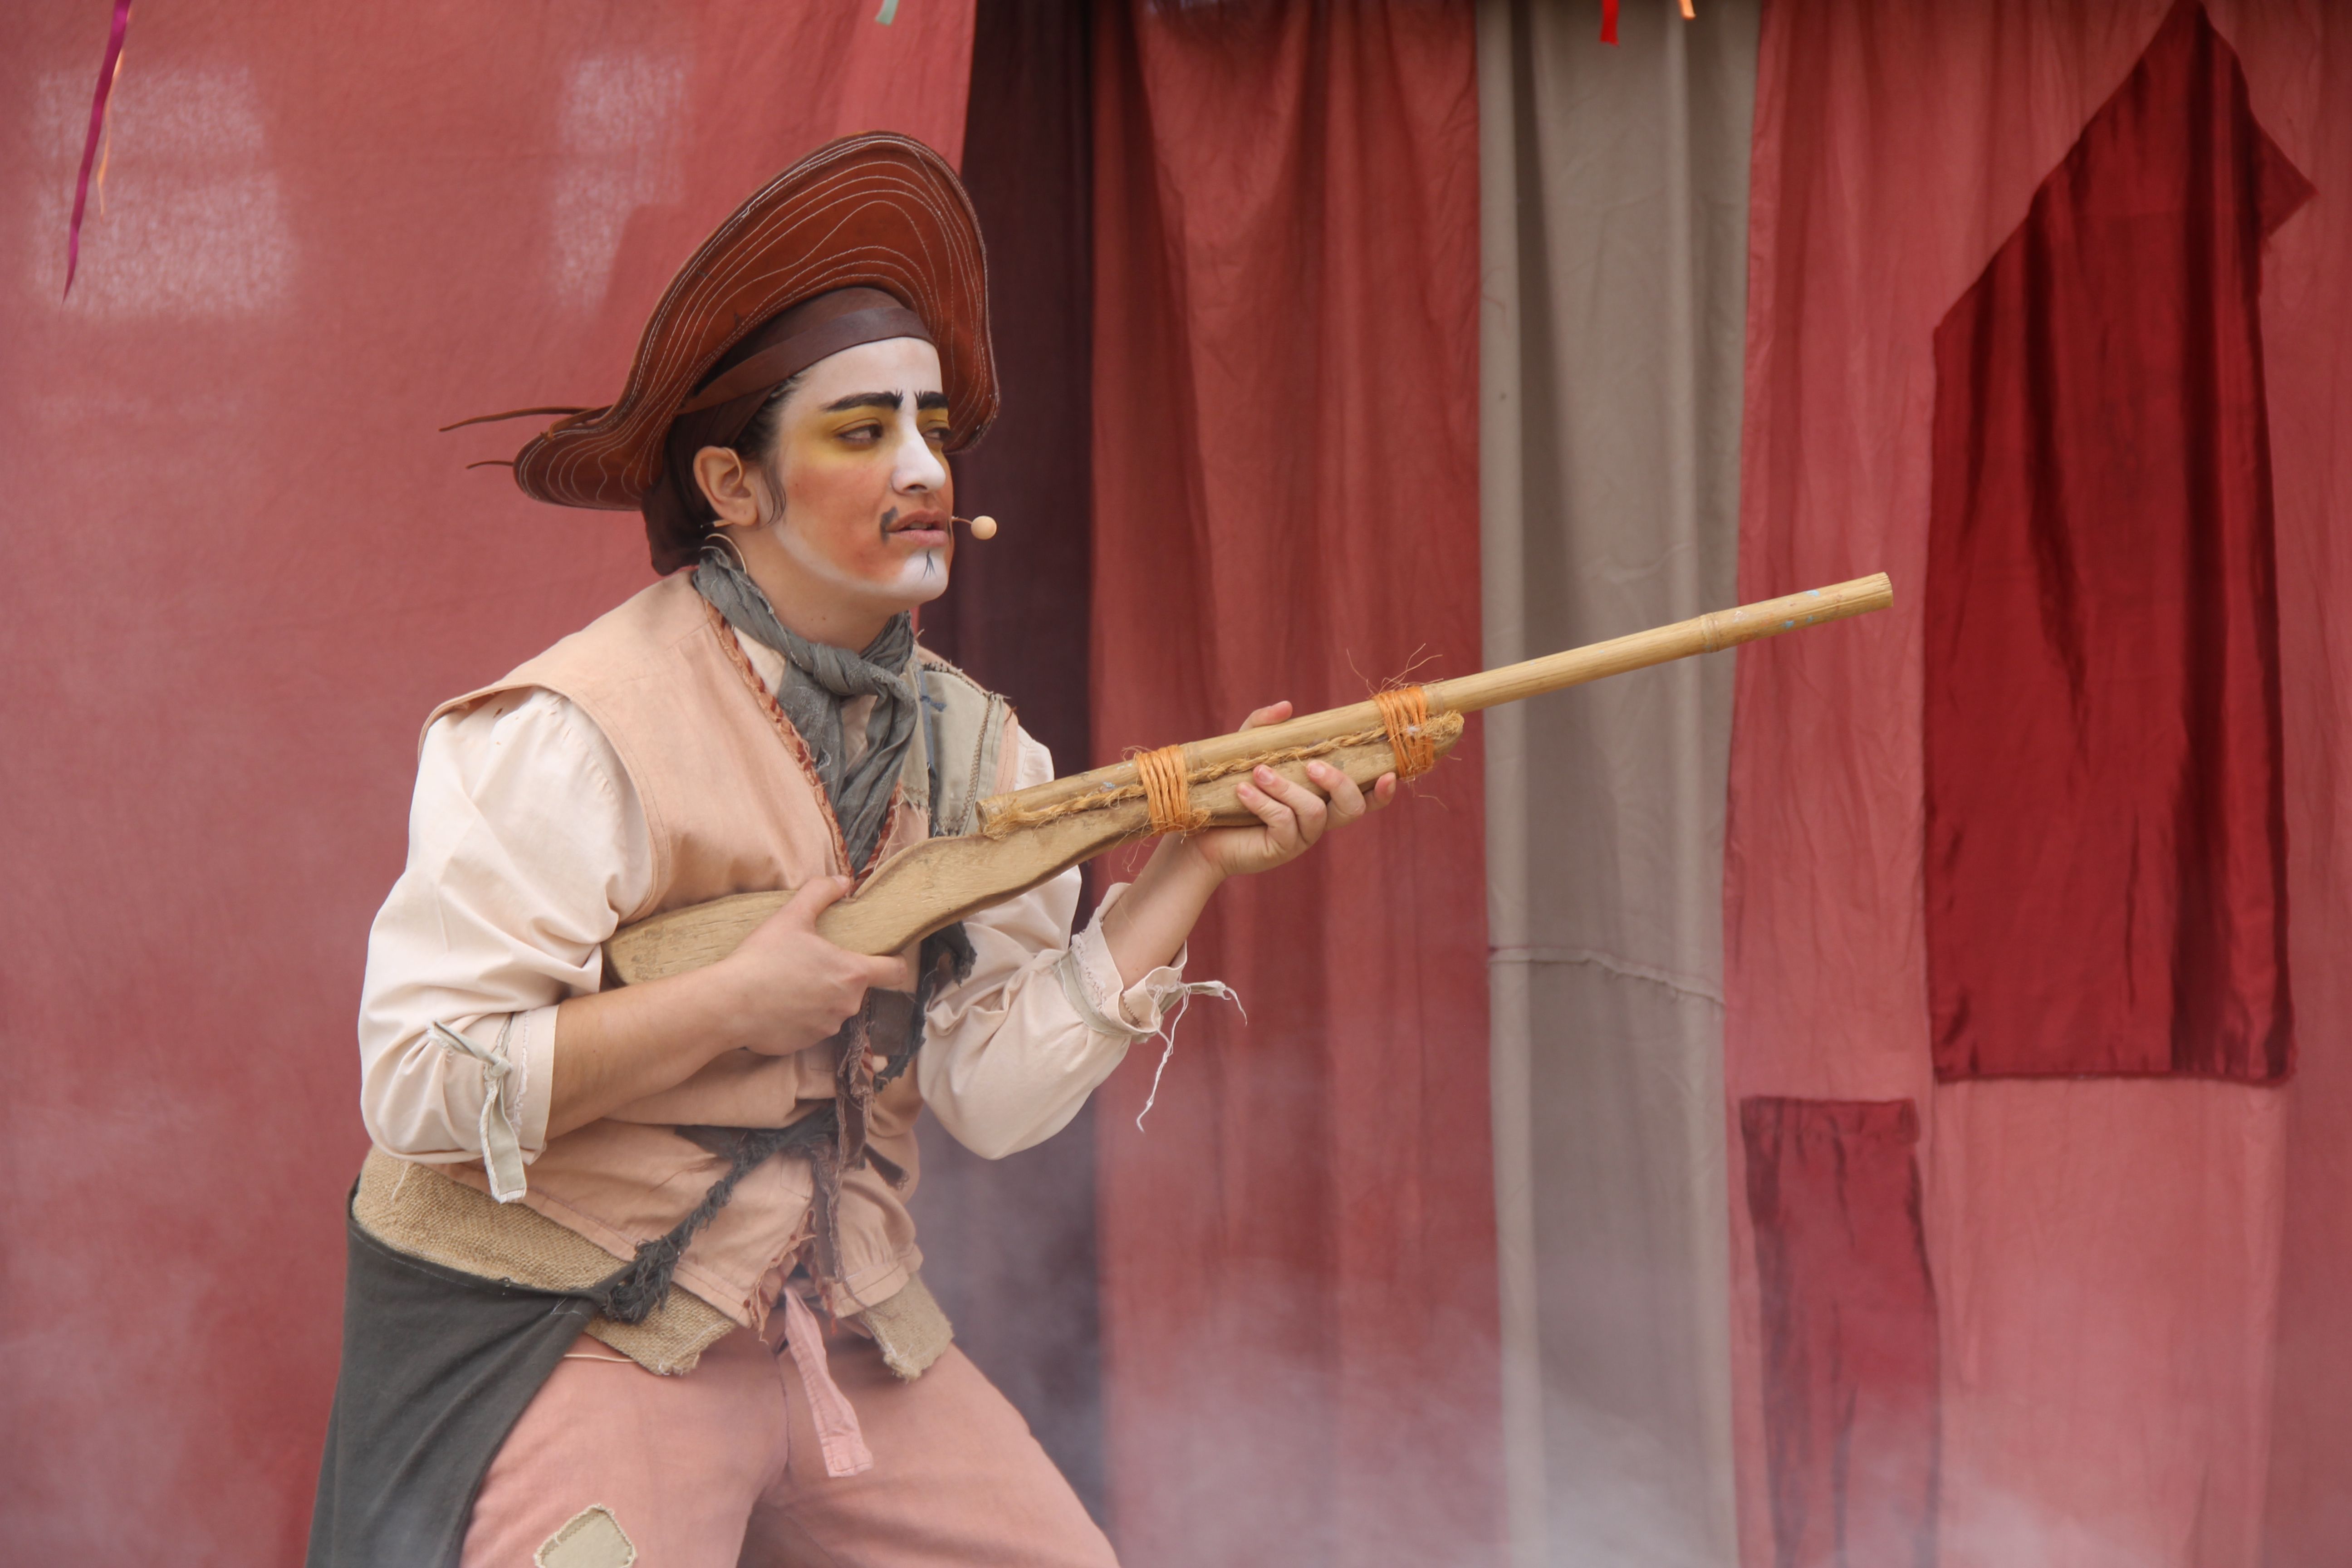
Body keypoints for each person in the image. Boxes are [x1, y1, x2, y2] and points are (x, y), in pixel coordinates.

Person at [306, 132, 1395, 1568]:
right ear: (733, 483)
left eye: (931, 426)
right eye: (862, 431)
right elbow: (420, 1087)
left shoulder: (984, 753)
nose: (924, 468)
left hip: (839, 1320)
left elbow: (988, 1100)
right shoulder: (572, 734)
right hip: (585, 1324)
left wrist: (1189, 866)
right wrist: (729, 1005)